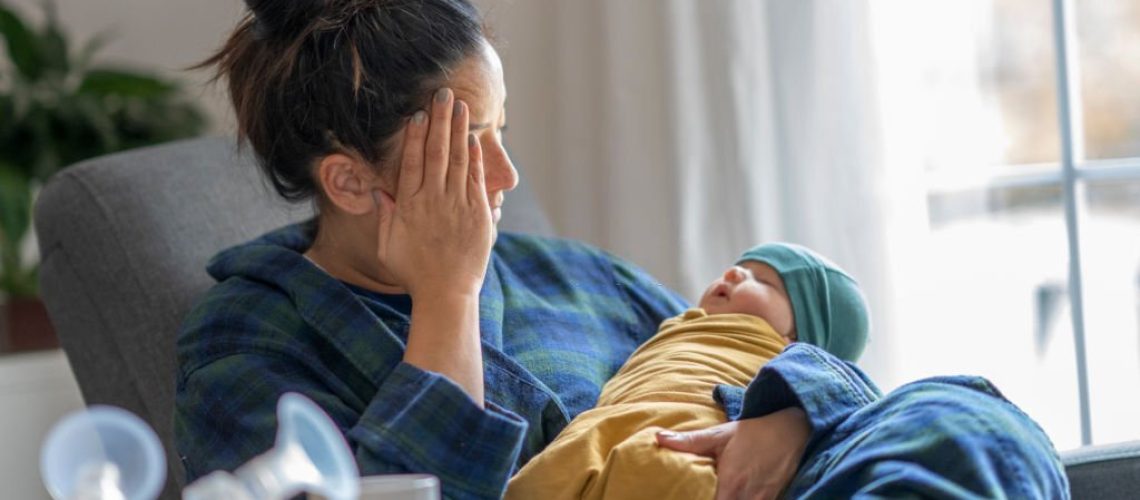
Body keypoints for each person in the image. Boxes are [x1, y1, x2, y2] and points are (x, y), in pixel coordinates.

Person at [175, 1, 1070, 499]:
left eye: (504, 128)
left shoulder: (576, 274)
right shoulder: (243, 341)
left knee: (964, 415)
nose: (506, 172)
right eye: (466, 142)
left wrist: (787, 415)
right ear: (351, 183)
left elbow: (736, 350)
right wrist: (446, 298)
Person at [505, 243, 871, 500]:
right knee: (536, 483)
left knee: (666, 473)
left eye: (763, 280)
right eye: (741, 266)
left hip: (688, 432)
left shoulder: (794, 356)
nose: (733, 271)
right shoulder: (676, 323)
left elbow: (846, 395)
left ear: (798, 333)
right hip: (607, 426)